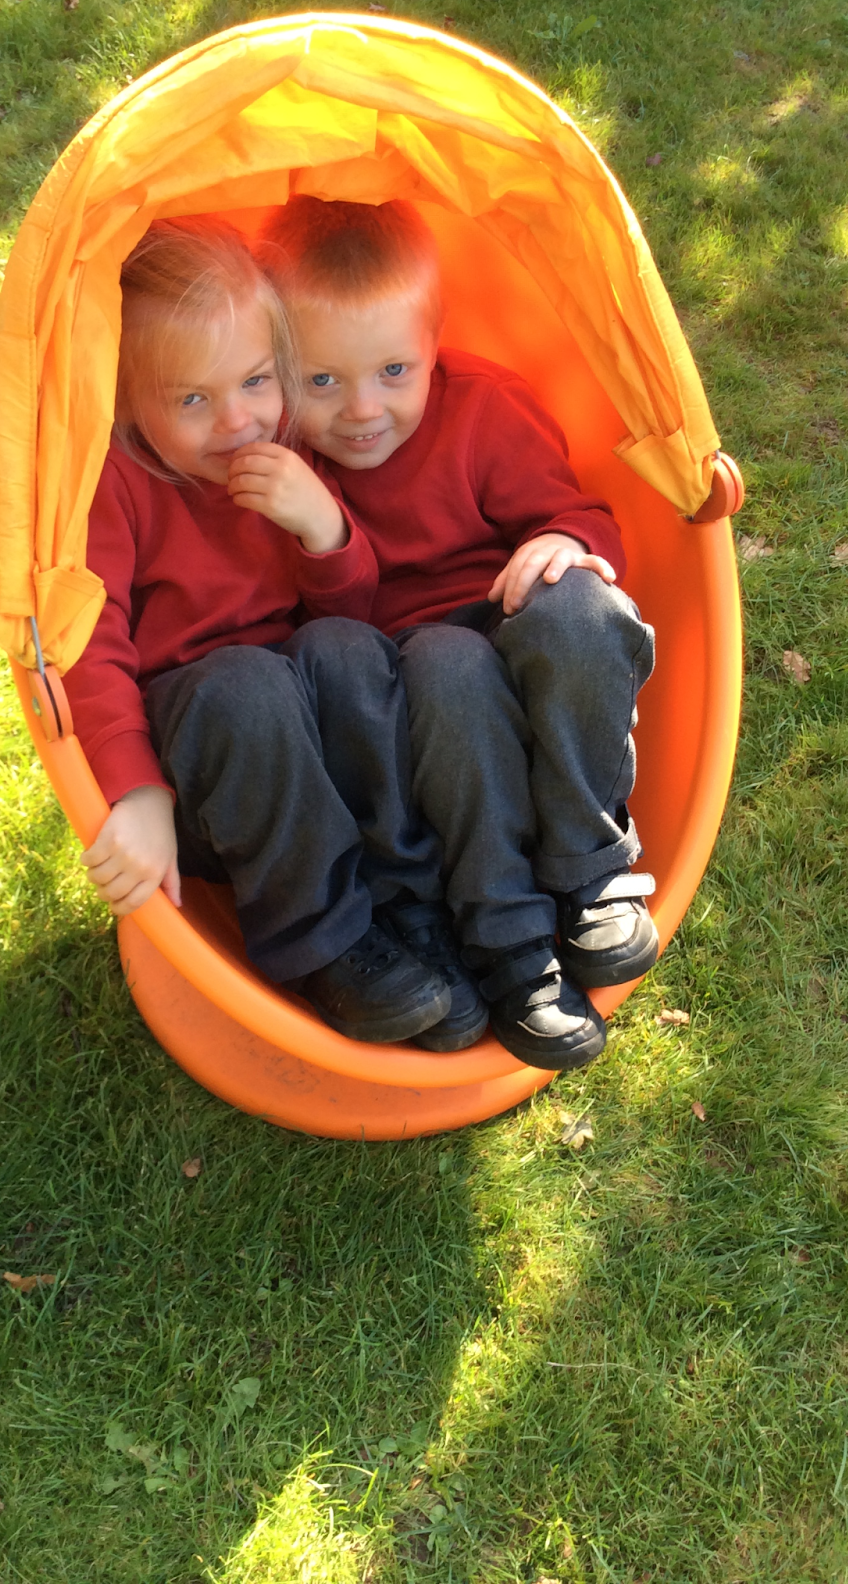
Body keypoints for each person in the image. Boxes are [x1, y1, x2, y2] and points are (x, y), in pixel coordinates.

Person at [260, 196, 658, 1071]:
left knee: (580, 602)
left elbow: (581, 517)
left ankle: (588, 864)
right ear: (277, 367)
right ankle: (510, 946)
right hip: (400, 703)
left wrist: (563, 540)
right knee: (443, 662)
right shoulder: (281, 463)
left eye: (393, 370)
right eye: (321, 381)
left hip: (504, 636)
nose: (362, 408)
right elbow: (316, 637)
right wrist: (318, 527)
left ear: (434, 342)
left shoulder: (482, 409)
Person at [63, 216, 453, 1044]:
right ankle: (324, 943)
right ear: (129, 403)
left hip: (306, 745)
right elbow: (84, 642)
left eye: (254, 381)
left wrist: (324, 530)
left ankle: (410, 905)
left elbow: (350, 618)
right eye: (191, 399)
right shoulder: (117, 484)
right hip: (207, 771)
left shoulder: (288, 453)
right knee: (246, 683)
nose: (236, 421)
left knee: (348, 650)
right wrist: (136, 792)